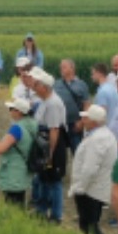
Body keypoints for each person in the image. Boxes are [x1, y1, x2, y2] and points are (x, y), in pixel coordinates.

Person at [69, 105, 118, 234]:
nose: (83, 120)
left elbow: (90, 168)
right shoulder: (104, 135)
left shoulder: (97, 139)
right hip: (95, 188)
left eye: (86, 118)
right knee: (89, 225)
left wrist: (80, 188)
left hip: (91, 190)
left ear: (94, 122)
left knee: (88, 226)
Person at [29, 69, 67, 224]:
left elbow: (54, 129)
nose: (34, 87)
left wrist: (50, 154)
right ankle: (41, 210)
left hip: (53, 144)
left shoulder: (53, 103)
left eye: (37, 85)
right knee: (43, 178)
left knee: (54, 180)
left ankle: (56, 215)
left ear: (45, 87)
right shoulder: (45, 101)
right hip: (43, 141)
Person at [0, 98, 38, 206]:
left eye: (11, 109)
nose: (10, 111)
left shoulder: (16, 128)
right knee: (19, 200)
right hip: (23, 168)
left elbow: (2, 148)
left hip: (13, 169)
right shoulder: (33, 125)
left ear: (18, 112)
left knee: (12, 203)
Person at [53, 59, 89, 153]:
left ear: (72, 69)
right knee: (59, 153)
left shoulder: (81, 85)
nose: (61, 69)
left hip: (75, 124)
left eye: (64, 67)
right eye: (60, 67)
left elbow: (86, 105)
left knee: (78, 152)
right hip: (60, 124)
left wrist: (82, 122)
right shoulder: (56, 84)